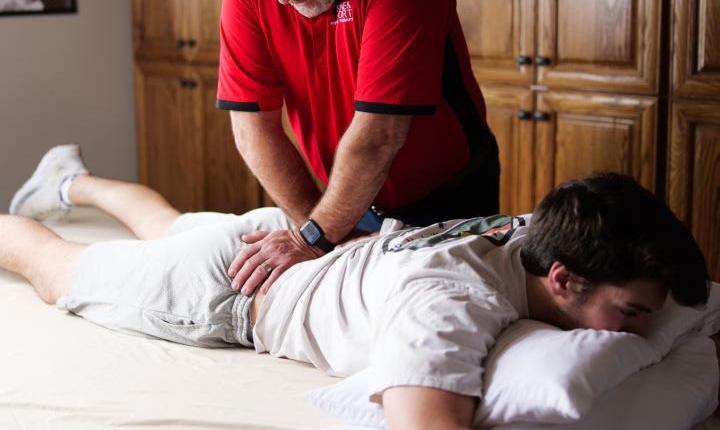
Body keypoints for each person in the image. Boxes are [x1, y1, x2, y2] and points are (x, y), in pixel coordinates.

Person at [3, 145, 710, 428]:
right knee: (53, 269)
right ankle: (43, 202)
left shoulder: (540, 228)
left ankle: (68, 177)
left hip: (288, 238)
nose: (641, 331)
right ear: (562, 279)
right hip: (230, 290)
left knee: (167, 225)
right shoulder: (449, 302)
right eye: (631, 312)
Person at [216, 0, 500, 294]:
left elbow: (379, 135)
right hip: (346, 201)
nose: (281, 3)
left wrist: (311, 237)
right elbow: (252, 128)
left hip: (448, 195)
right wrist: (320, 231)